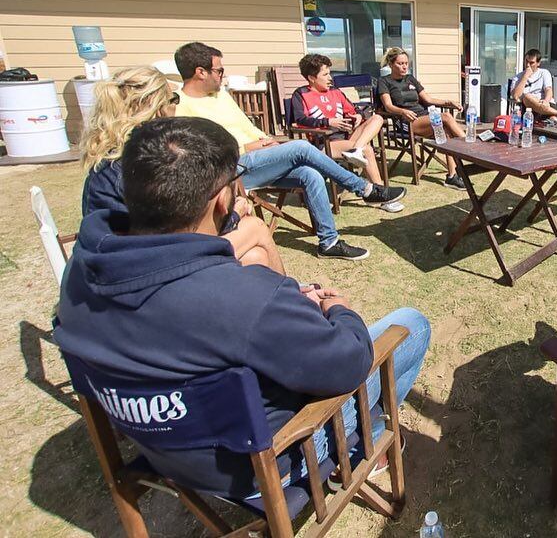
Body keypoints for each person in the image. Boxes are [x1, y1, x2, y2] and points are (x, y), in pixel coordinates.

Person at [54, 117, 431, 499]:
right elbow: (347, 363)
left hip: (161, 451)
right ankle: (364, 442)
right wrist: (338, 309)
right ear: (222, 200)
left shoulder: (80, 272)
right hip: (258, 469)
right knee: (410, 325)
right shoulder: (240, 297)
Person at [174, 42, 405, 260]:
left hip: (261, 158)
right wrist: (250, 146)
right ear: (200, 72)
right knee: (301, 147)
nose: (222, 75)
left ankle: (329, 243)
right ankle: (364, 189)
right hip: (234, 170)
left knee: (310, 174)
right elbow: (203, 155)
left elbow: (247, 127)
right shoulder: (179, 107)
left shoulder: (220, 95)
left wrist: (267, 140)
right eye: (219, 70)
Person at [80, 66, 284, 274]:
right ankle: (292, 299)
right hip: (143, 270)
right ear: (157, 108)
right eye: (173, 99)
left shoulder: (113, 162)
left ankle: (286, 297)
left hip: (121, 262)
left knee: (255, 256)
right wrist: (233, 215)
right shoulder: (145, 165)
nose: (176, 107)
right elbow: (182, 230)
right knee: (256, 228)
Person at [292, 53, 398, 207]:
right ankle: (382, 196)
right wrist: (328, 122)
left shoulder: (335, 91)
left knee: (377, 118)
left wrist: (358, 116)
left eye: (330, 73)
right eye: (325, 74)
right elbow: (299, 120)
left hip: (348, 138)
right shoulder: (301, 94)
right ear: (312, 78)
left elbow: (355, 110)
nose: (330, 78)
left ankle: (357, 149)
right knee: (367, 150)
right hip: (324, 142)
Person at [377, 46, 466, 190]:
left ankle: (451, 176)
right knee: (446, 117)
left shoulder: (411, 79)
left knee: (447, 132)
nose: (404, 66)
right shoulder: (384, 81)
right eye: (400, 63)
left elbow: (428, 99)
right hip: (406, 122)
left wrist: (448, 102)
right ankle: (469, 146)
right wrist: (402, 111)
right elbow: (388, 106)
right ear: (391, 64)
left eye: (406, 63)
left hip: (424, 119)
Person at [510, 48, 557, 118]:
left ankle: (555, 114)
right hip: (529, 109)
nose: (527, 65)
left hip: (545, 104)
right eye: (526, 61)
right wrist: (525, 77)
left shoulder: (544, 73)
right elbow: (515, 96)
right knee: (527, 97)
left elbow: (548, 90)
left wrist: (546, 101)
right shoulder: (517, 77)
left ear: (538, 63)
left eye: (531, 63)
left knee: (553, 119)